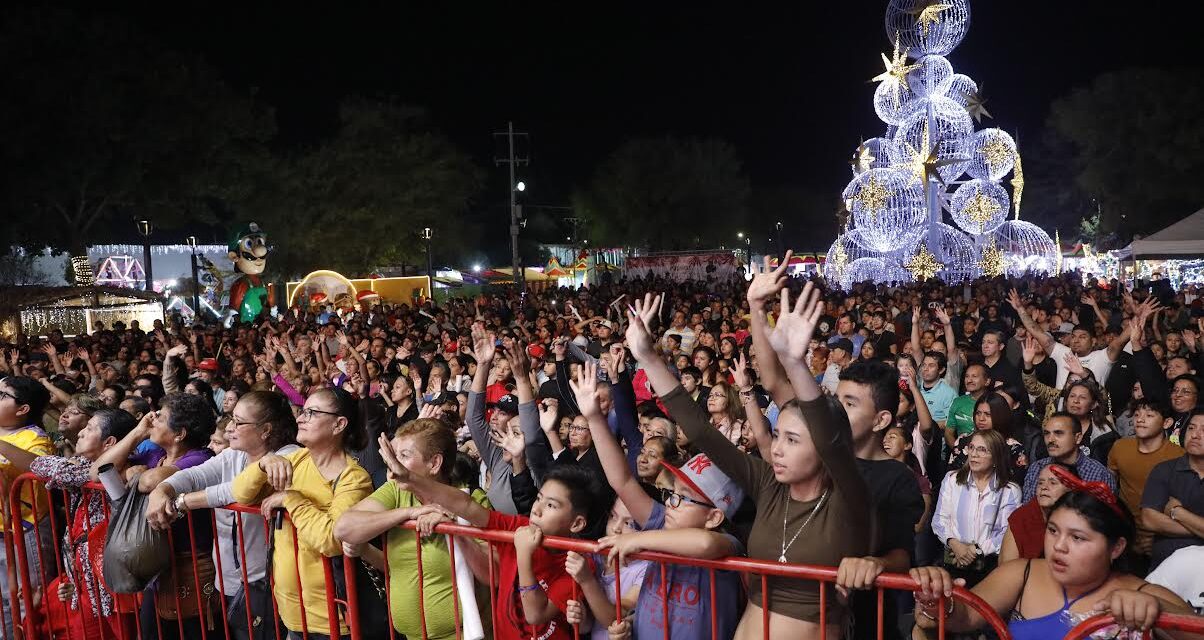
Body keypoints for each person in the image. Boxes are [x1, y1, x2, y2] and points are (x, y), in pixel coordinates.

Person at [675, 272, 876, 638]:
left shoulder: (848, 498)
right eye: (777, 436)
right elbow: (703, 433)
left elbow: (831, 441)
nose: (776, 447)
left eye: (793, 440)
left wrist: (795, 363)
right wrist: (645, 356)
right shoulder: (769, 485)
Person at [912, 465, 1196, 639]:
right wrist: (936, 597)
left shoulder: (1141, 593)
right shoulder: (1022, 572)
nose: (1058, 546)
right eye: (1053, 531)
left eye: (1078, 537)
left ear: (1117, 547)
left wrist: (1158, 613)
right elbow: (966, 616)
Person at [573, 354, 745, 640]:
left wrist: (635, 539)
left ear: (714, 516)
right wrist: (593, 419)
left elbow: (703, 543)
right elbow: (623, 481)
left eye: (683, 497)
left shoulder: (728, 547)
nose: (670, 502)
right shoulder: (663, 523)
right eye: (672, 493)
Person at [379, 428, 611, 640]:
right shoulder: (518, 525)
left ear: (577, 523)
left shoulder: (578, 562)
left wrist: (523, 554)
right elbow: (469, 507)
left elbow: (535, 614)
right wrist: (412, 479)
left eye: (551, 505)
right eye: (539, 499)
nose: (536, 509)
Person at [145, 390, 301, 640]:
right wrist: (162, 491)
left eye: (239, 422)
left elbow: (239, 492)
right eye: (231, 418)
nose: (230, 427)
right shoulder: (234, 455)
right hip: (228, 579)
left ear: (265, 430)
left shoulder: (289, 456)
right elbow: (195, 475)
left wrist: (183, 501)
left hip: (268, 581)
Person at [334, 411, 491, 640]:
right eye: (393, 456)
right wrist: (409, 513)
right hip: (411, 635)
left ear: (434, 463)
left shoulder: (471, 502)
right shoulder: (397, 492)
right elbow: (344, 527)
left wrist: (456, 531)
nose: (393, 465)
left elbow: (490, 574)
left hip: (463, 634)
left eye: (403, 456)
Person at [231, 387, 373, 639]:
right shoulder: (294, 460)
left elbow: (332, 540)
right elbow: (241, 494)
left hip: (332, 618)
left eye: (312, 412)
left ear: (339, 424)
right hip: (291, 614)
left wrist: (291, 499)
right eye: (302, 411)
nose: (300, 418)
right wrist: (264, 464)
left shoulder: (353, 478)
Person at [90, 392, 217, 640]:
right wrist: (138, 432)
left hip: (189, 566)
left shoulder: (201, 458)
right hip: (156, 567)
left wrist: (133, 475)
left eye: (161, 417)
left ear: (179, 434)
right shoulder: (154, 455)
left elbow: (151, 481)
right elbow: (98, 473)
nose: (153, 419)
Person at [931, 429, 1022, 587]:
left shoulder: (1009, 491)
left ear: (996, 457)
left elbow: (1006, 533)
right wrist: (955, 544)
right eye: (972, 448)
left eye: (982, 450)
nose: (974, 454)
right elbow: (939, 520)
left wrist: (976, 550)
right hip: (953, 561)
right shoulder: (952, 480)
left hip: (989, 568)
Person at [1107, 399, 1184, 571]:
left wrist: (1159, 537)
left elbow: (1180, 503)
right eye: (1136, 415)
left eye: (1149, 415)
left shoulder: (1179, 456)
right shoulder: (1120, 447)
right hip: (1125, 533)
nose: (1140, 419)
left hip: (1162, 537)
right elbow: (1110, 485)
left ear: (1167, 422)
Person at [1140, 409, 1204, 572]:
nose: (1195, 435)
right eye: (1191, 428)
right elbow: (1149, 519)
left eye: (1203, 430)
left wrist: (1177, 512)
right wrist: (1199, 530)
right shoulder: (1165, 470)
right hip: (1165, 567)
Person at [1022, 412, 1117, 503]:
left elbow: (1105, 517)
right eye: (1047, 433)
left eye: (1058, 433)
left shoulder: (1099, 474)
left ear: (1078, 438)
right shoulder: (1037, 468)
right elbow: (1026, 512)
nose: (1050, 440)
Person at [999, 462, 1077, 563]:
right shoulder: (1022, 517)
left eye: (1053, 483)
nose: (1044, 487)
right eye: (1040, 482)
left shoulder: (1079, 520)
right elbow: (1007, 568)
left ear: (1070, 489)